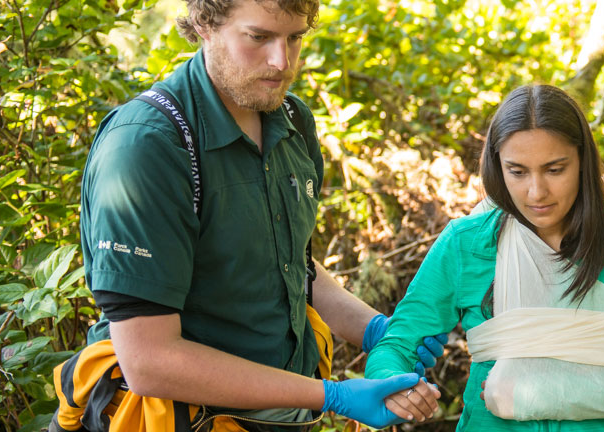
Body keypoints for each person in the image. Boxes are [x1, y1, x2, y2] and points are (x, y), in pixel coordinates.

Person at [65, 0, 442, 429]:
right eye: (259, 37)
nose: (282, 62)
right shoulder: (148, 146)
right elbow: (149, 360)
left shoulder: (292, 120)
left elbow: (289, 263)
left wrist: (374, 329)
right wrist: (332, 395)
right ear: (206, 24)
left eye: (294, 37)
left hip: (283, 415)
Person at [364, 84, 604, 431]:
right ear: (497, 166)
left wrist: (531, 393)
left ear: (582, 161)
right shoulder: (467, 244)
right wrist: (392, 383)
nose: (536, 192)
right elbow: (398, 344)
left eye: (555, 170)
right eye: (517, 171)